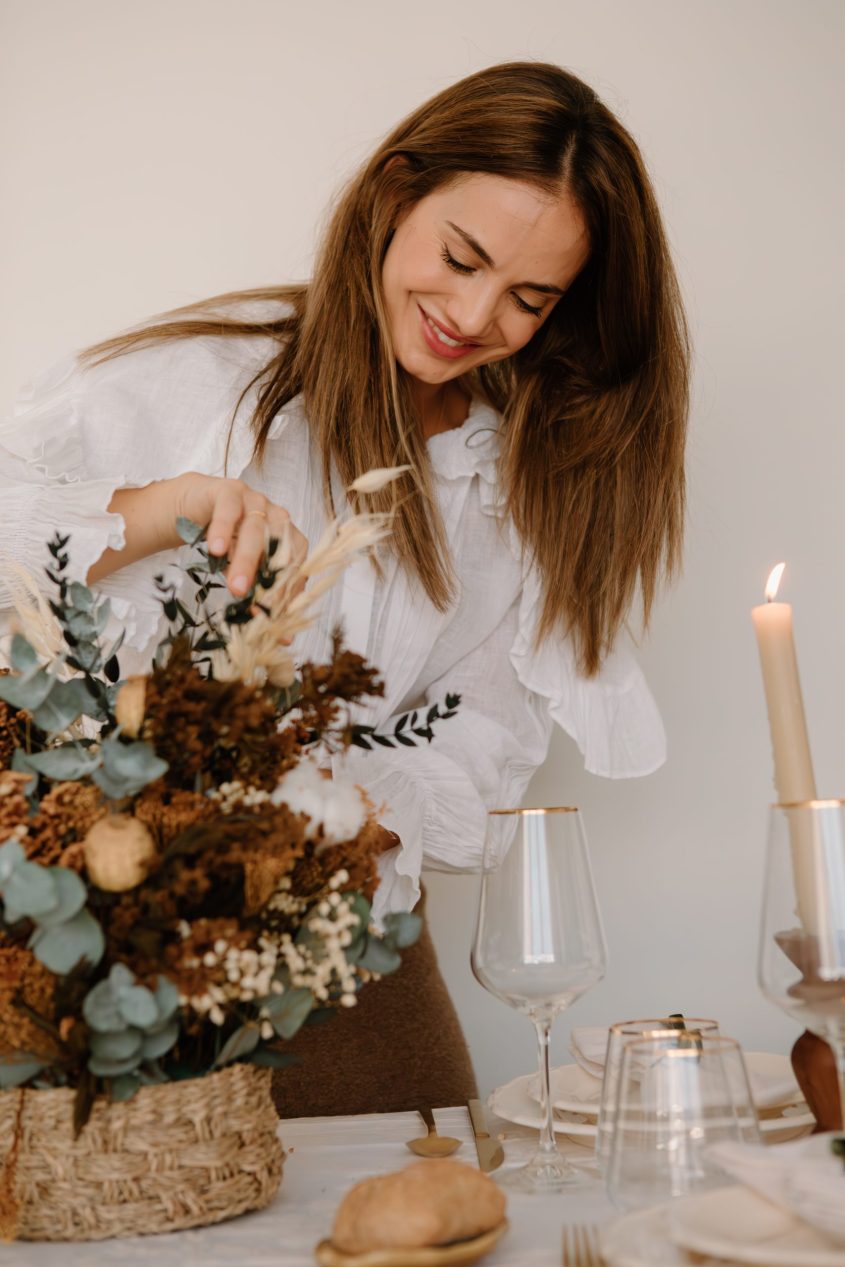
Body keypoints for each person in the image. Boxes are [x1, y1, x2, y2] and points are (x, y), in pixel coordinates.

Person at [0, 61, 688, 1114]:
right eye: (460, 258)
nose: (470, 314)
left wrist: (339, 815)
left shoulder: (506, 498)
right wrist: (160, 503)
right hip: (81, 971)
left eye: (527, 298)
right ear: (391, 195)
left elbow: (479, 758)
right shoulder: (189, 383)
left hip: (343, 982)